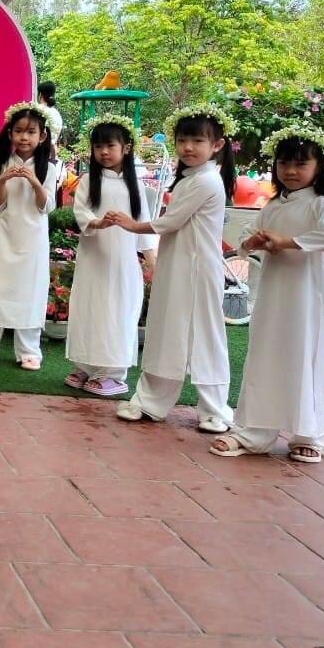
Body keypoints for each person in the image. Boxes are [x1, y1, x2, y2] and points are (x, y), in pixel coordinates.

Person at [211, 123, 324, 463]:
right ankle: (255, 432)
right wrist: (253, 241)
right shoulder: (272, 206)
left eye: (300, 163)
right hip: (272, 293)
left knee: (304, 355)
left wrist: (287, 242)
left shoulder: (321, 204)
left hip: (306, 296)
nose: (291, 171)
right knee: (266, 353)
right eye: (284, 163)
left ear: (320, 166)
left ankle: (307, 434)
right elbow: (247, 234)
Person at [106, 103, 236, 431]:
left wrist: (132, 225)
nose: (188, 147)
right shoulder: (190, 179)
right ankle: (151, 402)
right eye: (182, 140)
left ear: (217, 145)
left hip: (199, 270)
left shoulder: (207, 181)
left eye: (197, 141)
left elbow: (171, 222)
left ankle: (215, 411)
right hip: (177, 266)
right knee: (166, 330)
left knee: (204, 335)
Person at [64, 114, 157, 397]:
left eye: (110, 146)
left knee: (117, 310)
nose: (104, 152)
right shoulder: (87, 181)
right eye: (98, 146)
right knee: (89, 307)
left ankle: (114, 373)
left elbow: (144, 223)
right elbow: (80, 212)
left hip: (121, 261)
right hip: (93, 258)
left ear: (126, 148)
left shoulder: (135, 185)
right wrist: (97, 223)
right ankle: (86, 365)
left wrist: (151, 258)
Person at [0, 102, 58, 370]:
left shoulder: (48, 168)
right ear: (10, 133)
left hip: (34, 239)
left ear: (42, 136)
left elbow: (47, 206)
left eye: (31, 132)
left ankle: (29, 351)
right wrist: (2, 181)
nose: (24, 137)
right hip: (7, 236)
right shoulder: (4, 163)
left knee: (31, 291)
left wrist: (34, 181)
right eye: (19, 131)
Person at [37, 81, 64, 149]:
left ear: (40, 95)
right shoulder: (57, 114)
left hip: (37, 151)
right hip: (51, 151)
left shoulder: (36, 110)